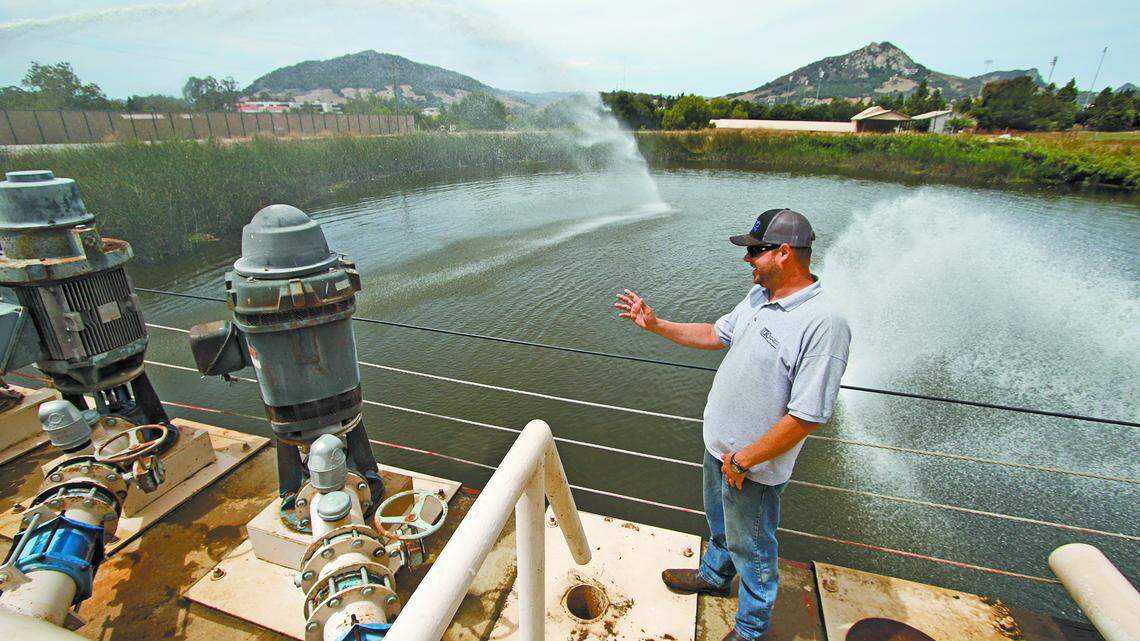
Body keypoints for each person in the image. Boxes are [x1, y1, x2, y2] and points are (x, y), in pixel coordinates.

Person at [614, 208, 850, 641]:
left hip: (752, 468)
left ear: (783, 253)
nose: (747, 260)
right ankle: (714, 576)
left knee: (755, 550)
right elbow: (715, 335)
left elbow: (806, 416)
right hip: (719, 448)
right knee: (720, 526)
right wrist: (655, 324)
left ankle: (750, 630)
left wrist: (743, 461)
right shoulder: (759, 298)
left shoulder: (823, 323)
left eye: (755, 252)